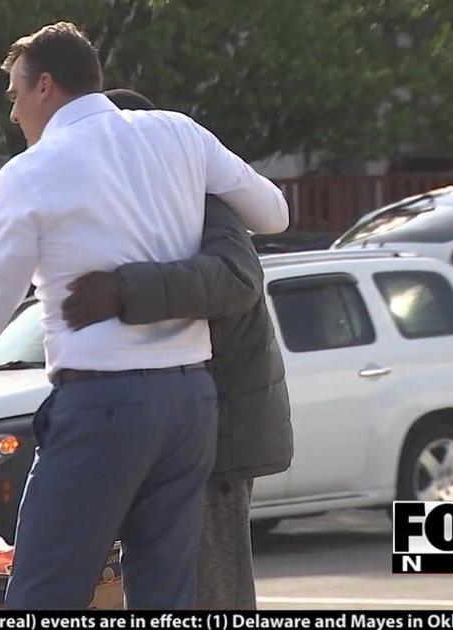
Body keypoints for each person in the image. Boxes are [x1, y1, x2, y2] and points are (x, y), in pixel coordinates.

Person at [0, 23, 289, 609]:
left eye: (14, 95)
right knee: (166, 591)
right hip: (190, 401)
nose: (13, 115)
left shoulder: (31, 171)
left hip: (103, 401)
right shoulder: (178, 133)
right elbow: (274, 212)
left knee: (44, 588)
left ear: (45, 88)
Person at [60, 88, 293, 610]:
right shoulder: (143, 206)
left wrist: (123, 290)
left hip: (217, 438)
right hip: (173, 428)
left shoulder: (201, 199)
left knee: (211, 593)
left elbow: (236, 280)